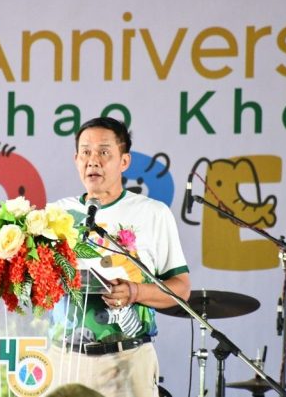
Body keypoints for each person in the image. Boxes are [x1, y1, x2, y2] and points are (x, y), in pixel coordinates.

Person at [48, 117, 190, 397]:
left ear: (124, 161)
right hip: (64, 359)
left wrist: (134, 292)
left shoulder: (153, 213)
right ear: (76, 159)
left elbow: (181, 289)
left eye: (104, 152)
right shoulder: (54, 215)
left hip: (127, 359)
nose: (93, 160)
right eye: (85, 152)